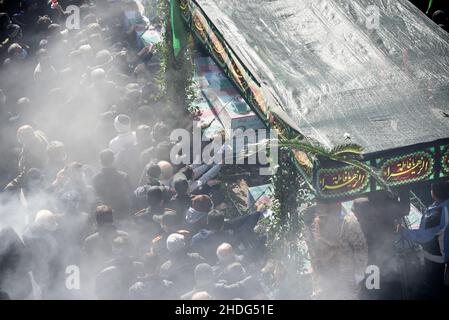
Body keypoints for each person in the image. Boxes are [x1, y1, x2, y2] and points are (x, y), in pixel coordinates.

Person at [305, 201, 368, 300]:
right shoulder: (313, 227)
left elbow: (361, 247)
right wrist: (317, 282)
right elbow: (314, 255)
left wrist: (359, 273)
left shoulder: (348, 223)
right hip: (326, 279)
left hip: (346, 277)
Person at [403, 181, 449, 299]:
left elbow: (423, 236)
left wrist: (403, 231)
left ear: (434, 192)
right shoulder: (443, 206)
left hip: (437, 259)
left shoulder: (437, 213)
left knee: (435, 287)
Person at [92, 149, 133, 221]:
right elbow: (130, 195)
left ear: (100, 162)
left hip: (103, 216)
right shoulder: (123, 176)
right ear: (114, 160)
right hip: (122, 215)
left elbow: (93, 198)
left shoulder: (95, 178)